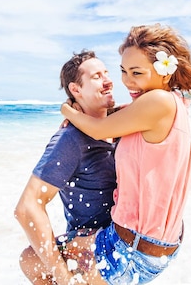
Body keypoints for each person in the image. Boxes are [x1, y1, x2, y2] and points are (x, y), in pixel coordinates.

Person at [58, 24, 191, 285]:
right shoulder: (172, 102)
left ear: (164, 72)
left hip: (132, 249)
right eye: (124, 71)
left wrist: (68, 110)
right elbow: (113, 118)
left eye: (137, 72)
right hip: (155, 244)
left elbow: (98, 129)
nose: (127, 81)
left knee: (35, 258)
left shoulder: (158, 101)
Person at [15, 50, 118, 285]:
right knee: (29, 259)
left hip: (125, 246)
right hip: (91, 252)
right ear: (76, 90)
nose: (108, 80)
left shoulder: (121, 126)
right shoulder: (70, 139)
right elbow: (27, 207)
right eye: (96, 76)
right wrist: (62, 277)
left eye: (107, 73)